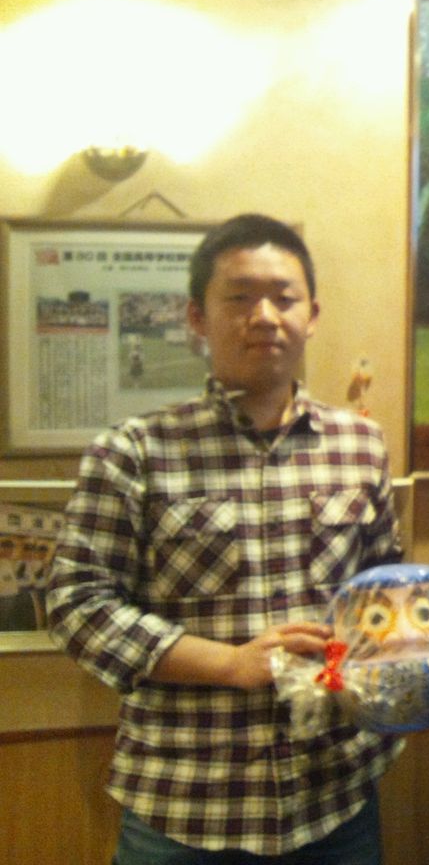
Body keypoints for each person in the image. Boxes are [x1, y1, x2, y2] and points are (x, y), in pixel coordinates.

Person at [45, 213, 404, 863]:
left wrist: (408, 652)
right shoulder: (136, 450)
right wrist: (231, 665)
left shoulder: (360, 446)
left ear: (312, 315)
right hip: (186, 807)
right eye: (239, 297)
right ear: (197, 317)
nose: (264, 316)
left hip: (334, 799)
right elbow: (76, 604)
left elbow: (382, 592)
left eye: (284, 298)